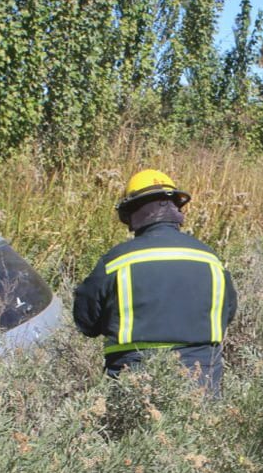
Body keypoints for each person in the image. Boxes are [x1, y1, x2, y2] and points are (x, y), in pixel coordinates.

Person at [73, 169, 237, 396]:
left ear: (131, 212)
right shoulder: (210, 258)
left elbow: (86, 320)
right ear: (176, 208)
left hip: (134, 378)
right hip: (201, 380)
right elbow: (228, 312)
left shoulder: (116, 261)